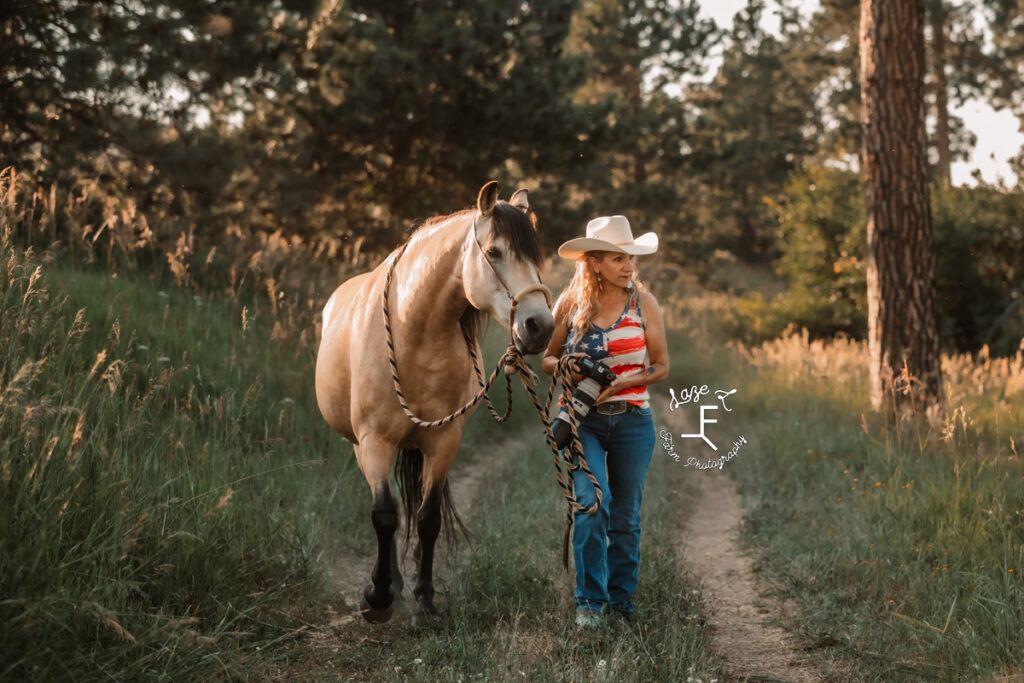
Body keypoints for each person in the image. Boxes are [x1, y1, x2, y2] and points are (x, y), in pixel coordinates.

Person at [542, 215, 670, 628]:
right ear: (594, 262)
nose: (628, 266)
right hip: (584, 423)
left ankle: (620, 604)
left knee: (626, 517)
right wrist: (566, 365)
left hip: (634, 421)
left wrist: (625, 383)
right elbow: (546, 358)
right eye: (617, 258)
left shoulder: (643, 303)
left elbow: (662, 366)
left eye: (629, 257)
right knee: (593, 505)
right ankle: (590, 604)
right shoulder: (569, 305)